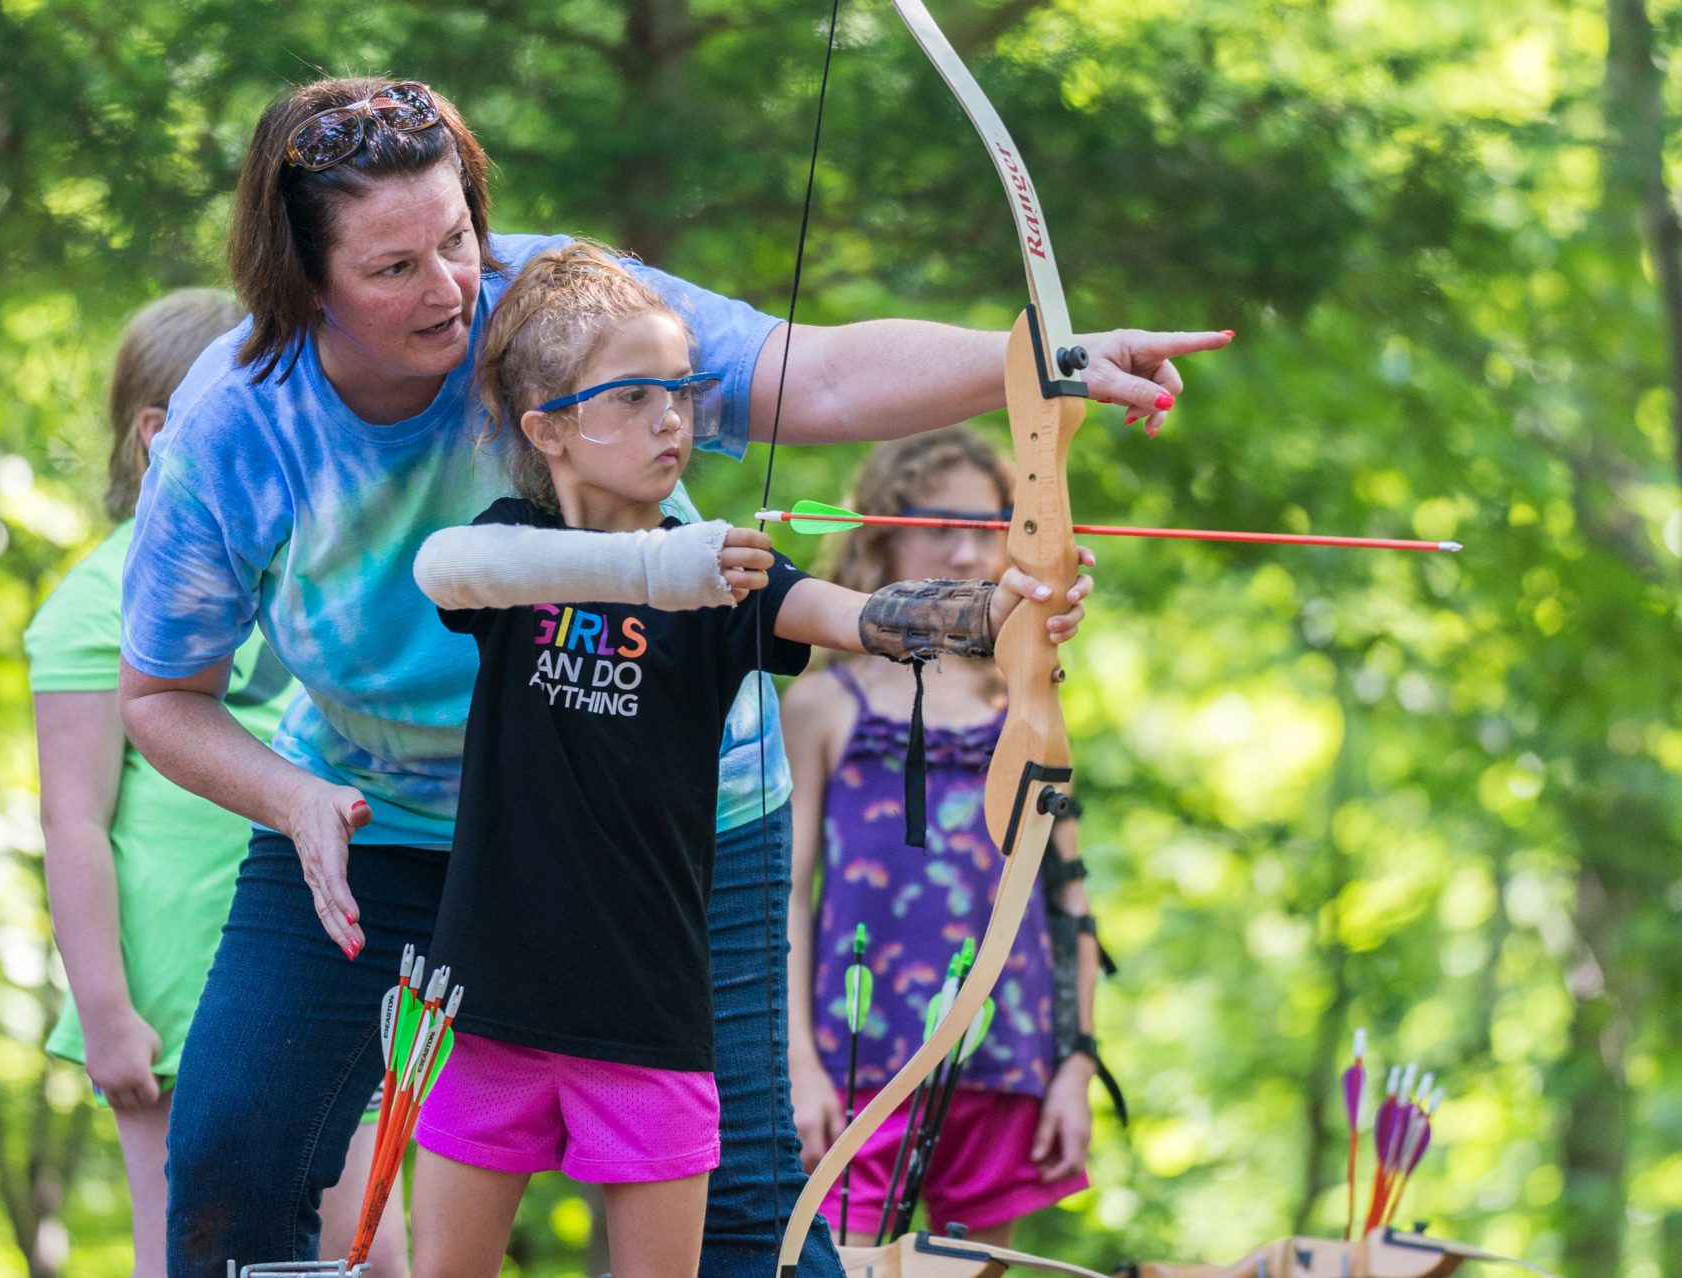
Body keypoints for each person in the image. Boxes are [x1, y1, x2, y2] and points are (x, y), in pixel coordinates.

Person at [114, 75, 1218, 1276]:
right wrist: (292, 799)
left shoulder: (558, 310)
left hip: (668, 823)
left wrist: (1041, 368)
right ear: (301, 279)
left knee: (747, 1209)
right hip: (371, 821)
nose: (447, 288)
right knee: (234, 1162)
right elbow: (162, 695)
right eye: (392, 270)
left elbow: (821, 378)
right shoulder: (237, 424)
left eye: (457, 238)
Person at [405, 241, 1062, 1278]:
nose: (673, 417)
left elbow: (871, 618)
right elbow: (447, 569)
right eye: (632, 396)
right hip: (490, 1007)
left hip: (651, 1017)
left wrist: (1002, 609)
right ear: (551, 430)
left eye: (682, 390)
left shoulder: (730, 576)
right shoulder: (519, 546)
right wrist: (660, 568)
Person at [27, 291, 406, 1277]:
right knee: (186, 1242)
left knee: (371, 1246)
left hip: (325, 966)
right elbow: (73, 821)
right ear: (161, 435)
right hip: (171, 997)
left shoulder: (308, 569)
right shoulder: (93, 598)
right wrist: (105, 1007)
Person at [784, 428, 1102, 1249]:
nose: (964, 552)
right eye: (937, 525)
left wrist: (1076, 1061)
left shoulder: (1026, 706)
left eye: (986, 527)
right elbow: (781, 892)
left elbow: (1068, 899)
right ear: (883, 529)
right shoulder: (825, 706)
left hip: (1004, 1059)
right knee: (840, 1263)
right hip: (858, 1063)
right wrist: (797, 1061)